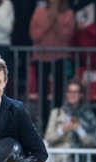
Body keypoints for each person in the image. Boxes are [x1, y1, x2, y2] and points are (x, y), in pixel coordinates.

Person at [29, 0, 75, 130]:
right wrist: (49, 22)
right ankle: (44, 125)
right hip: (41, 57)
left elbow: (65, 37)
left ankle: (56, 125)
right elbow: (34, 36)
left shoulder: (68, 14)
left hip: (60, 57)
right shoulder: (38, 13)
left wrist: (56, 22)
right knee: (42, 93)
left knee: (59, 93)